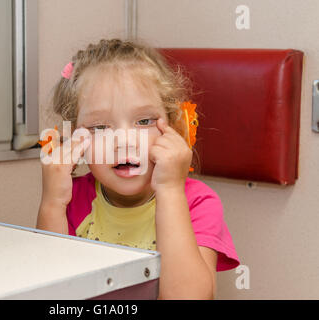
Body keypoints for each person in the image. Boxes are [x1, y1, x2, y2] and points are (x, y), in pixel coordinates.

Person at [36, 38, 240, 299]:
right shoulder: (70, 199)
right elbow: (50, 294)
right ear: (74, 140)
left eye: (144, 121)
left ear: (176, 128)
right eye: (100, 127)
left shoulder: (197, 203)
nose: (124, 141)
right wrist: (52, 203)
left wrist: (169, 191)